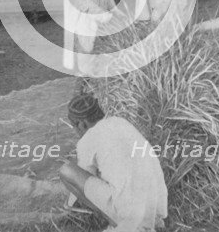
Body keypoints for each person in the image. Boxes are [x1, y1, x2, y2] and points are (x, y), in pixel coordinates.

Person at [59, 94, 168, 232]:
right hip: (156, 207)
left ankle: (114, 221)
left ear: (81, 124)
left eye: (74, 126)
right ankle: (152, 222)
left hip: (131, 214)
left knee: (66, 170)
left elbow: (84, 182)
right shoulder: (120, 122)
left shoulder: (87, 139)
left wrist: (69, 205)